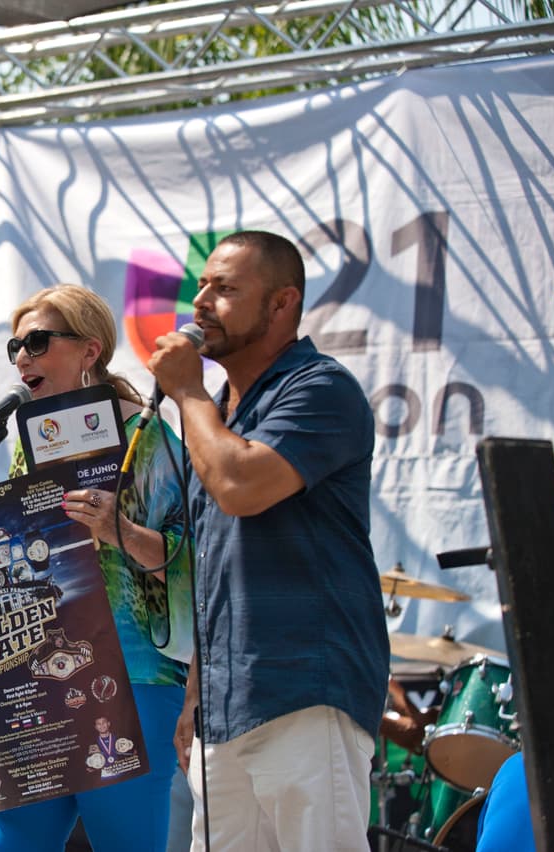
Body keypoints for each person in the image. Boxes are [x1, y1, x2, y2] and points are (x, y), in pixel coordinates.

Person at [147, 230, 390, 851]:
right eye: (201, 285)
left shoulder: (320, 388)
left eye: (225, 289)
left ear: (283, 304)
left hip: (304, 690)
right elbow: (213, 567)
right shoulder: (219, 415)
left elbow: (240, 485)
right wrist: (197, 691)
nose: (200, 302)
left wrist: (189, 393)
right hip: (225, 705)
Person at [0, 284, 193, 852]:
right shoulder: (28, 443)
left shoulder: (147, 437)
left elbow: (193, 567)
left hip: (133, 680)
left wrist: (117, 531)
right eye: (15, 347)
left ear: (90, 350)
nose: (22, 357)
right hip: (36, 680)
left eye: (37, 341)